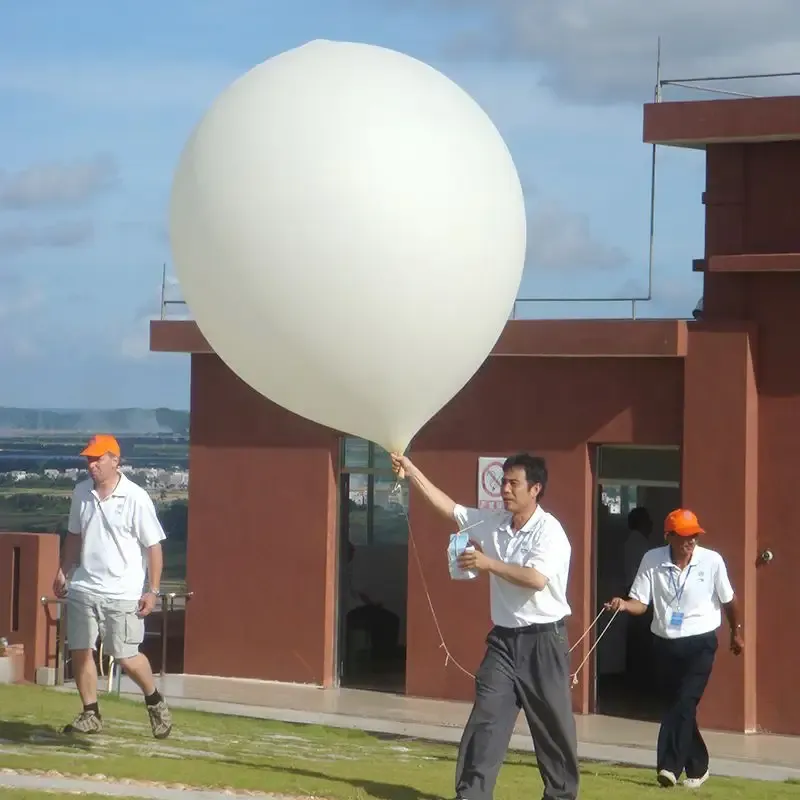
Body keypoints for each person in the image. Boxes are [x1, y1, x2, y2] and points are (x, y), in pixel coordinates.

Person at [391, 452, 579, 800]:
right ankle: (471, 795)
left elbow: (536, 579)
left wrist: (487, 563)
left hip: (544, 642)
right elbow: (450, 508)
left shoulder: (550, 531)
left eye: (513, 483)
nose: (505, 489)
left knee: (553, 729)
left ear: (535, 489)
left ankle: (561, 795)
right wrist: (412, 470)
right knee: (486, 721)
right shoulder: (494, 522)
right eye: (503, 482)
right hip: (503, 643)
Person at [605, 508, 743, 789]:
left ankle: (669, 766)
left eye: (694, 535)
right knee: (677, 706)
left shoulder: (712, 561)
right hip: (665, 643)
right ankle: (699, 766)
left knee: (684, 702)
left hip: (701, 642)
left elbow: (729, 601)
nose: (690, 541)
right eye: (683, 536)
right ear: (668, 536)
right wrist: (623, 605)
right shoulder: (652, 559)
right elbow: (641, 602)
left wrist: (736, 632)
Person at [53, 434, 173, 739]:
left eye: (97, 459)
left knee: (125, 656)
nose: (91, 465)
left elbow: (154, 546)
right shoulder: (82, 493)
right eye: (88, 459)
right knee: (81, 649)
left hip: (122, 591)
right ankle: (90, 713)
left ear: (115, 460)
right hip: (84, 586)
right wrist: (63, 570)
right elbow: (74, 536)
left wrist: (152, 590)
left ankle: (154, 701)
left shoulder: (135, 496)